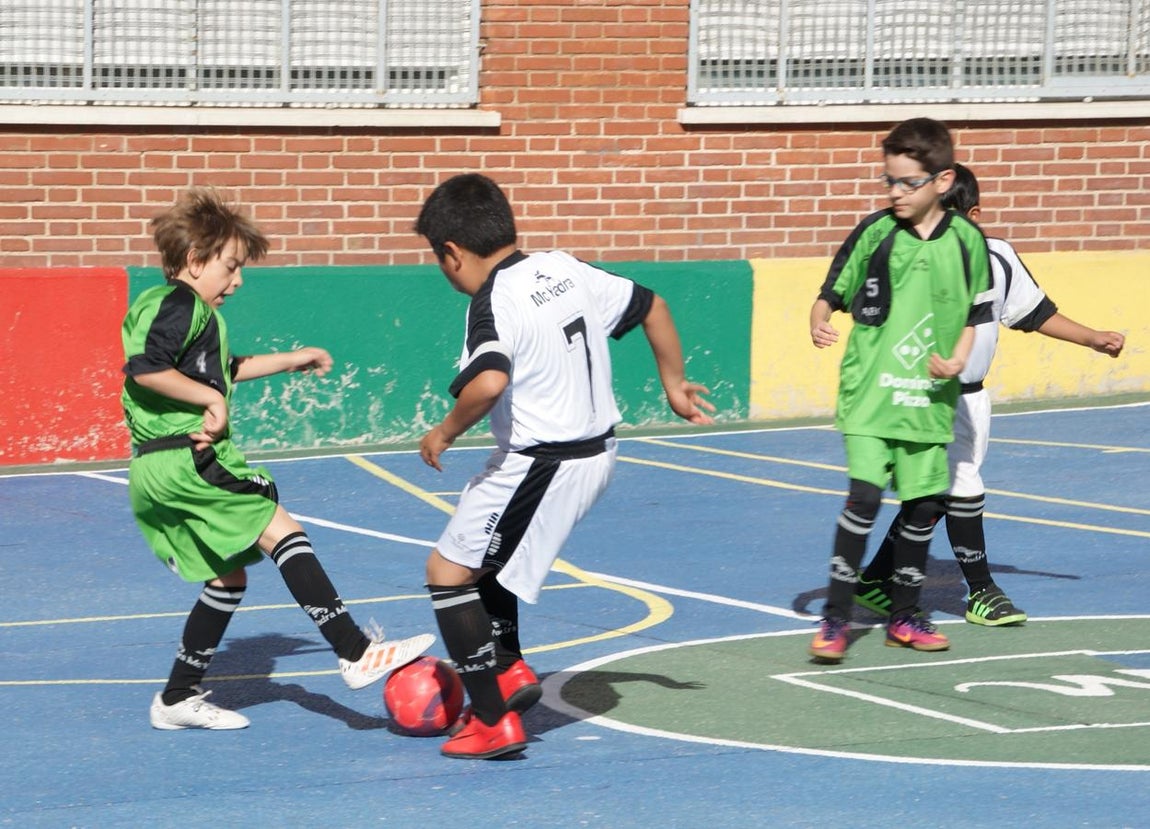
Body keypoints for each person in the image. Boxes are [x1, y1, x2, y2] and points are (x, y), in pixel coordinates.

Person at [413, 173, 715, 759]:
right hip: (595, 451)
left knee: (447, 573)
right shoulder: (562, 268)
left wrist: (444, 430)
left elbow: (489, 380)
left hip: (545, 462)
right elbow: (653, 305)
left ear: (451, 253)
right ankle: (509, 669)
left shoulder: (492, 301)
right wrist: (673, 384)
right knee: (486, 558)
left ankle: (492, 720)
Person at [121, 187, 434, 731]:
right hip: (185, 456)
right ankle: (355, 650)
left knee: (228, 580)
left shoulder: (186, 312)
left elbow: (221, 369)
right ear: (195, 261)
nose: (238, 279)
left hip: (156, 465)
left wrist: (293, 358)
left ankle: (176, 697)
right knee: (280, 529)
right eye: (231, 266)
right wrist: (210, 399)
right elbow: (146, 369)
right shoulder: (179, 304)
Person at [853, 163, 1126, 626]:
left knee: (933, 497)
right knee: (961, 488)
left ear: (974, 216)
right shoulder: (908, 256)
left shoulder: (997, 257)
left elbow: (1033, 313)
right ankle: (981, 591)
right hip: (924, 395)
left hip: (972, 400)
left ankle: (877, 579)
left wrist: (1091, 338)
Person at [807, 118, 992, 663]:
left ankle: (905, 616)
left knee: (923, 505)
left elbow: (976, 312)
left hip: (928, 401)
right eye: (888, 181)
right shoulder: (875, 232)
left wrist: (958, 356)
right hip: (869, 396)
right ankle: (835, 618)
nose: (895, 193)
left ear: (942, 180)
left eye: (907, 183)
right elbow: (830, 292)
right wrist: (818, 319)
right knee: (865, 498)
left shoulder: (967, 241)